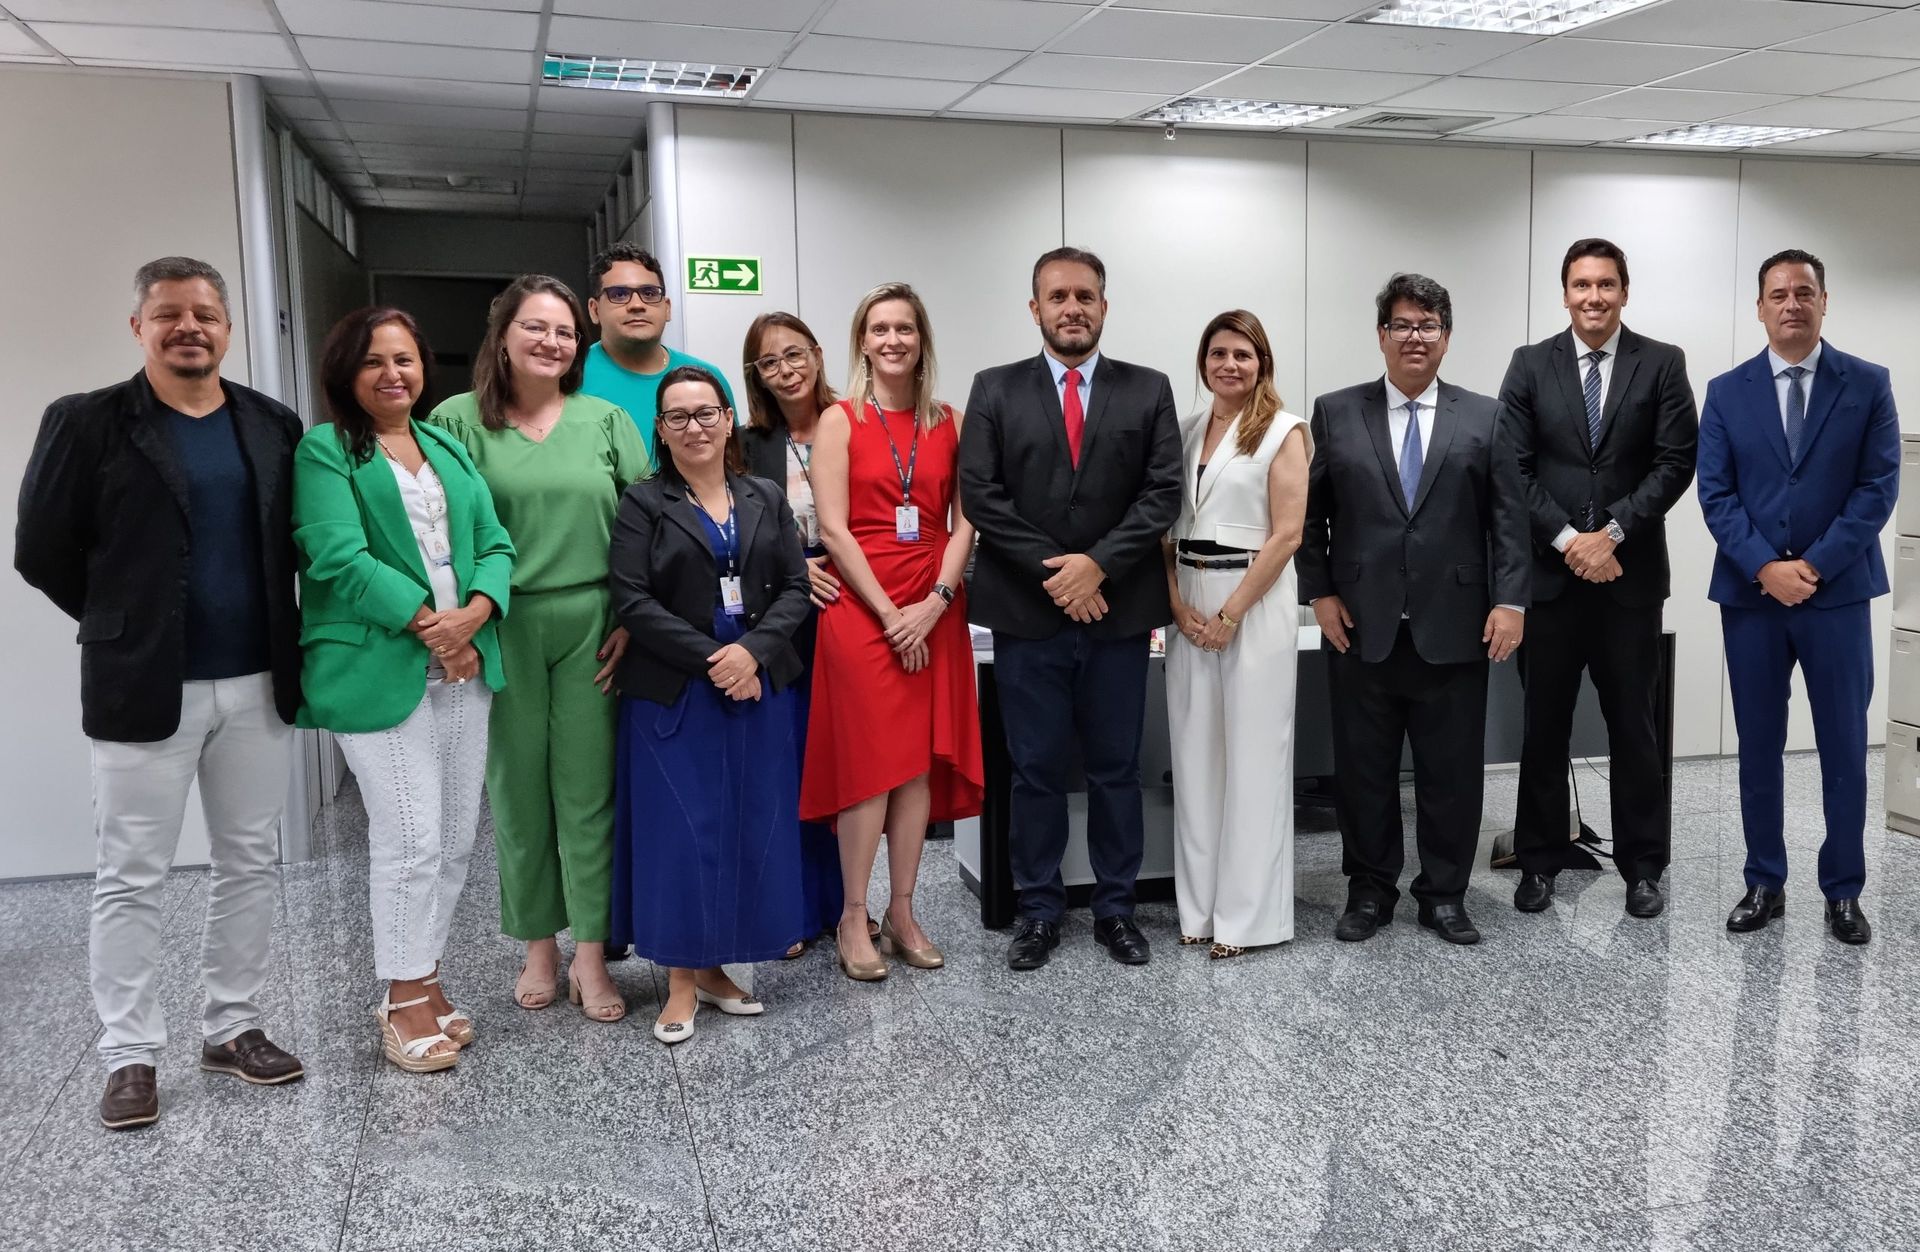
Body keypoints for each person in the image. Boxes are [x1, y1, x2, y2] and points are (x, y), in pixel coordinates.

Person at [15, 257, 306, 1130]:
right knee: (132, 874)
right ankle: (129, 1054)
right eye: (170, 313)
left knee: (248, 860)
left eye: (205, 314)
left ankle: (232, 1026)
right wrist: (124, 619)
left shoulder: (271, 423)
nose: (190, 328)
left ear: (228, 327)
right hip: (142, 685)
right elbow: (41, 550)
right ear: (138, 326)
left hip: (257, 680)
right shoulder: (87, 421)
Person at [292, 307, 515, 1072]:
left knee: (453, 840)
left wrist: (476, 614)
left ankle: (427, 977)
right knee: (410, 839)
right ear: (345, 373)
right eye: (373, 361)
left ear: (424, 367)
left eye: (405, 359)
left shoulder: (445, 444)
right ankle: (401, 998)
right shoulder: (326, 450)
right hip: (379, 668)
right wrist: (432, 625)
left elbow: (495, 543)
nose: (393, 374)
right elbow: (336, 556)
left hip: (463, 666)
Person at [427, 275, 652, 1023]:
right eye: (535, 327)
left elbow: (644, 526)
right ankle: (537, 946)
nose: (552, 342)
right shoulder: (456, 421)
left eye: (563, 331)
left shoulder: (605, 420)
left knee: (589, 792)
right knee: (517, 792)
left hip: (594, 622)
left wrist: (634, 617)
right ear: (502, 336)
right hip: (500, 623)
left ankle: (590, 952)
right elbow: (436, 529)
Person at [958, 248, 1182, 971]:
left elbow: (1162, 493)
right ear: (1036, 309)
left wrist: (1098, 566)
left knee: (1117, 768)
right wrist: (1061, 573)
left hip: (1118, 614)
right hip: (1029, 615)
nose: (1072, 308)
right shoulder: (994, 389)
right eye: (1057, 296)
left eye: (1085, 295)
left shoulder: (1148, 389)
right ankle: (1039, 911)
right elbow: (982, 495)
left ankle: (1117, 908)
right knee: (1036, 770)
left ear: (1104, 306)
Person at [1298, 273, 1529, 947]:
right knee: (1362, 772)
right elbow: (1309, 517)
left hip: (1455, 623)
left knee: (1451, 773)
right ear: (1381, 335)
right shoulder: (1337, 411)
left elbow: (1508, 520)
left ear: (1446, 337)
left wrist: (1510, 601)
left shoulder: (1485, 416)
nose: (1415, 337)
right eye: (1402, 324)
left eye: (1428, 325)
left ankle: (1444, 894)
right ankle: (1370, 891)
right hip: (1358, 624)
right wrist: (1319, 593)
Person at [1698, 249, 1899, 946]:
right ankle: (1764, 881)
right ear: (1759, 307)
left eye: (1803, 292)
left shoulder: (1867, 384)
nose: (1791, 304)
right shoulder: (1727, 391)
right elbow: (1716, 494)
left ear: (1823, 301)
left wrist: (1812, 566)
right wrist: (1765, 566)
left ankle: (1843, 890)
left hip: (1836, 596)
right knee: (1758, 744)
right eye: (1778, 294)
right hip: (1752, 599)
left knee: (1844, 746)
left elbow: (1877, 488)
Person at [608, 366, 812, 1042]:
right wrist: (716, 661)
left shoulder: (765, 496)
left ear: (728, 421)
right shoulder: (643, 503)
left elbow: (794, 587)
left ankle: (718, 969)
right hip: (676, 691)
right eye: (678, 417)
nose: (694, 427)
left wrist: (752, 653)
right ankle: (679, 981)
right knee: (682, 833)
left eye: (705, 413)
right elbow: (633, 600)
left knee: (745, 826)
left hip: (757, 685)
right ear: (661, 431)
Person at [1499, 238, 1698, 919]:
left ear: (1624, 292)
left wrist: (1610, 535)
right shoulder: (1530, 364)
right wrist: (1568, 541)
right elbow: (1513, 465)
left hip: (1627, 581)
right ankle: (1539, 861)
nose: (1594, 296)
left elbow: (1675, 462)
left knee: (1634, 729)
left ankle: (1643, 868)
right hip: (1550, 584)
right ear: (1565, 294)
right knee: (1543, 729)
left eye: (1606, 284)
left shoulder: (1662, 362)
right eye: (1581, 285)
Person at [801, 283, 984, 981]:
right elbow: (833, 529)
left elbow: (966, 523)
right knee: (869, 768)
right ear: (863, 341)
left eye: (905, 328)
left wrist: (935, 602)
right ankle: (854, 915)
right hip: (861, 608)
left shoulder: (952, 421)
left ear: (921, 339)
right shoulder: (839, 420)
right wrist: (888, 614)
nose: (893, 340)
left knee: (914, 769)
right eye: (880, 329)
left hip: (934, 605)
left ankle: (903, 912)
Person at [1162, 310, 1310, 960]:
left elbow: (1287, 535)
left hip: (1251, 600)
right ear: (1204, 362)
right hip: (1189, 602)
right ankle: (1198, 911)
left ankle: (1248, 921)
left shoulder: (1284, 431)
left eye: (1242, 354)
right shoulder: (1186, 430)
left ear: (1261, 364)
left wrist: (1230, 615)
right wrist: (1176, 604)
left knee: (1253, 760)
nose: (1229, 364)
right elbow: (1165, 530)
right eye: (1218, 353)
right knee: (1195, 759)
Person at [738, 312, 851, 958]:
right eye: (769, 362)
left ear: (818, 353)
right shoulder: (748, 444)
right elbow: (732, 530)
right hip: (779, 618)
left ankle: (844, 907)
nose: (785, 370)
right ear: (756, 375)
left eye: (795, 354)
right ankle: (791, 910)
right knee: (786, 764)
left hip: (848, 603)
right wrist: (794, 568)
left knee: (841, 760)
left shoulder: (852, 423)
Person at [581, 242, 737, 463]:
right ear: (594, 310)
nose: (637, 305)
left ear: (667, 308)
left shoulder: (706, 378)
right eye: (619, 294)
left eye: (649, 293)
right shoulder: (571, 376)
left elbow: (733, 461)